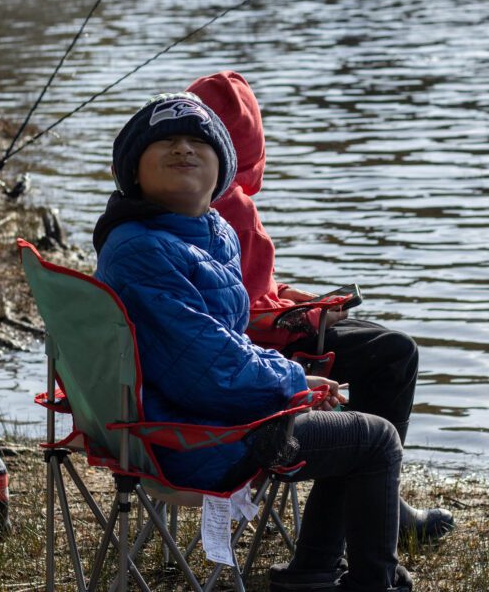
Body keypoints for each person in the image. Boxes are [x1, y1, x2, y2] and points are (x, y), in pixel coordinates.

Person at [93, 92, 413, 592]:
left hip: (183, 415)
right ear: (133, 172)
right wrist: (289, 380)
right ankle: (370, 582)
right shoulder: (142, 249)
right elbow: (207, 371)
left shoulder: (202, 233)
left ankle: (313, 572)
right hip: (191, 437)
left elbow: (219, 343)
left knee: (345, 425)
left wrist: (293, 379)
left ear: (222, 170)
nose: (183, 149)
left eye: (198, 142)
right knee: (376, 440)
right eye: (166, 143)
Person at [186, 71, 455, 544]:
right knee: (395, 354)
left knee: (378, 342)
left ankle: (380, 496)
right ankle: (377, 500)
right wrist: (311, 316)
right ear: (248, 147)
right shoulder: (230, 208)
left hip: (214, 356)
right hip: (256, 356)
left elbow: (246, 286)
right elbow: (239, 318)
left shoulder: (162, 203)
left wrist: (300, 300)